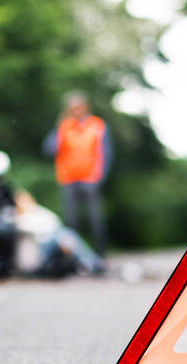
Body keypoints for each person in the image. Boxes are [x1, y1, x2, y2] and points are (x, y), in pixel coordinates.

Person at [42, 91, 112, 256]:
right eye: (72, 108)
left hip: (91, 179)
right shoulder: (64, 126)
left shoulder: (97, 125)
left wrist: (100, 177)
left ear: (85, 107)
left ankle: (100, 256)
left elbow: (107, 153)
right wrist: (58, 128)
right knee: (71, 221)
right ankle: (74, 257)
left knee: (96, 219)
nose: (76, 111)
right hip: (68, 178)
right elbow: (49, 149)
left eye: (78, 107)